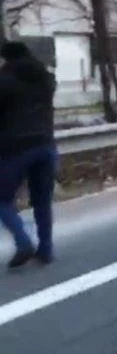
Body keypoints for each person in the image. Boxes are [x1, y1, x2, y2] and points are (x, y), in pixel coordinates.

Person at [0, 41, 58, 268]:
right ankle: (46, 249)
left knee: (2, 200)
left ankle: (23, 242)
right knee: (42, 201)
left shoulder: (4, 82)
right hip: (45, 145)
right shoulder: (46, 79)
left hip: (15, 149)